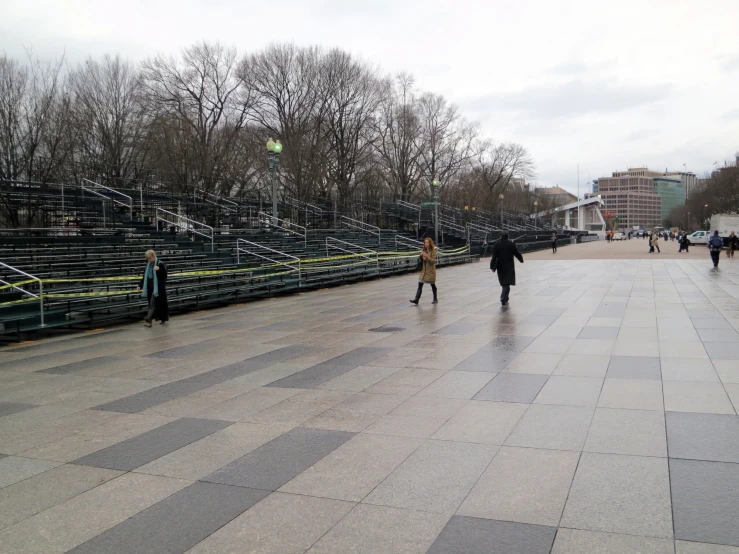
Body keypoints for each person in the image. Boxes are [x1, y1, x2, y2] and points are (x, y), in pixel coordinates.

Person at [490, 232, 524, 306]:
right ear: (507, 237)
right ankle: (503, 297)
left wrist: (492, 267)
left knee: (503, 283)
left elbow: (494, 257)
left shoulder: (496, 245)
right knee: (507, 283)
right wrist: (521, 260)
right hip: (509, 265)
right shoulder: (511, 244)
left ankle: (505, 297)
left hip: (500, 266)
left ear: (501, 237)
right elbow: (516, 253)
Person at [137, 249, 169, 326]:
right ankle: (151, 320)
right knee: (152, 304)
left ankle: (149, 318)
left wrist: (159, 270)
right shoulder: (148, 266)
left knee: (152, 303)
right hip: (150, 288)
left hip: (158, 288)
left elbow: (164, 276)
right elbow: (145, 277)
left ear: (154, 256)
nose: (149, 260)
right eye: (147, 258)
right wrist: (140, 285)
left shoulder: (160, 264)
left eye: (150, 258)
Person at [410, 237, 437, 305]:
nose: (426, 244)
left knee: (432, 284)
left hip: (430, 271)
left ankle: (435, 298)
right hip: (423, 271)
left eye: (427, 242)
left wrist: (427, 257)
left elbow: (433, 261)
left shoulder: (433, 250)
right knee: (420, 284)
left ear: (430, 243)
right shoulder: (423, 249)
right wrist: (421, 256)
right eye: (425, 242)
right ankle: (416, 299)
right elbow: (421, 260)